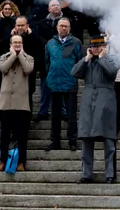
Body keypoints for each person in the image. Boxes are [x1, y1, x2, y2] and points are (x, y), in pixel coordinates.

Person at [72, 34, 120, 184]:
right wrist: (86, 59)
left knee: (109, 141)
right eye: (93, 46)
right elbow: (74, 73)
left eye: (99, 46)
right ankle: (86, 174)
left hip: (106, 102)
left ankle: (110, 174)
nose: (95, 49)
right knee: (86, 139)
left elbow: (112, 72)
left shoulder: (112, 59)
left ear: (104, 47)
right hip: (88, 103)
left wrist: (102, 58)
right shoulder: (88, 61)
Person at [0, 34, 35, 173]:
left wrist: (20, 55)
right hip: (5, 103)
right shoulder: (4, 57)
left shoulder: (29, 58)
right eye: (15, 42)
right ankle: (2, 161)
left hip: (21, 104)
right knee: (5, 135)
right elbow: (3, 69)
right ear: (10, 44)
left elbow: (28, 69)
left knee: (21, 136)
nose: (17, 44)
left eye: (19, 42)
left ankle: (21, 162)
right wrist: (13, 55)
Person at [44, 18, 82, 151]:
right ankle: (55, 141)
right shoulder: (50, 43)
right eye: (61, 26)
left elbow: (79, 60)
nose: (63, 28)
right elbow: (47, 62)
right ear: (57, 27)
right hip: (54, 84)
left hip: (70, 83)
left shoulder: (76, 42)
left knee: (71, 115)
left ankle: (72, 141)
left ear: (70, 28)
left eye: (66, 26)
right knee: (55, 116)